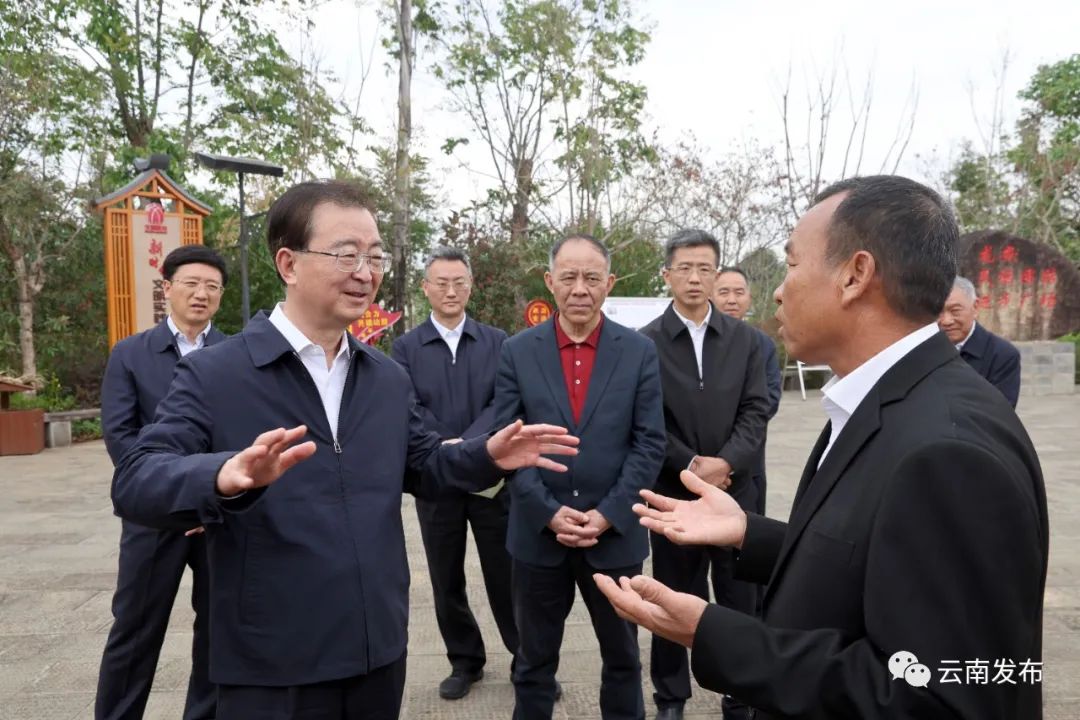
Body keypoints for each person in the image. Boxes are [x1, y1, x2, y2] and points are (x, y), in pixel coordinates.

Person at [110, 180, 580, 719]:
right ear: (288, 264)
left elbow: (425, 464)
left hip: (377, 650)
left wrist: (486, 455)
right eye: (346, 254)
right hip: (271, 662)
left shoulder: (386, 377)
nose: (365, 272)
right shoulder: (216, 373)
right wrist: (220, 474)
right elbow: (136, 479)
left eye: (375, 257)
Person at [596, 175, 1048, 720]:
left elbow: (934, 696)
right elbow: (875, 562)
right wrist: (749, 534)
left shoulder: (948, 452)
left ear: (855, 275)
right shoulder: (895, 401)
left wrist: (713, 633)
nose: (778, 291)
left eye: (791, 264)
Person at [495, 234, 666, 720]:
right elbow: (507, 444)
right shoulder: (517, 351)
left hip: (614, 538)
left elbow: (649, 442)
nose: (580, 288)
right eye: (568, 276)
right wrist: (548, 513)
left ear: (609, 283)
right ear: (549, 281)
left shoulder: (638, 351)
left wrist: (609, 514)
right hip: (538, 537)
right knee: (533, 662)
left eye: (591, 277)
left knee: (623, 659)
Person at [639, 232, 769, 720]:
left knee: (740, 598)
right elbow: (646, 420)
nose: (695, 278)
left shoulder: (747, 341)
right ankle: (671, 696)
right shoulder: (644, 344)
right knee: (673, 595)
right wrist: (693, 467)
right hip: (674, 496)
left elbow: (756, 410)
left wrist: (726, 463)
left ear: (716, 274)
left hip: (737, 493)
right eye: (685, 268)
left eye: (705, 268)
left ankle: (741, 694)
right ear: (667, 274)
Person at [96, 244, 228, 720]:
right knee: (135, 629)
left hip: (217, 516)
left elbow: (241, 434)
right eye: (191, 283)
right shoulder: (131, 354)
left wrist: (210, 502)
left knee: (218, 630)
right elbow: (121, 437)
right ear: (167, 288)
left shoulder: (234, 354)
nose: (201, 294)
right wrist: (174, 498)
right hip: (153, 518)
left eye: (212, 286)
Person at [390, 246, 518, 700]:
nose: (450, 291)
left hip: (489, 477)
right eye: (441, 283)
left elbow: (505, 402)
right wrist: (445, 447)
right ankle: (465, 661)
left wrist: (468, 446)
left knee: (506, 573)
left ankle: (526, 658)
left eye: (458, 282)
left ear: (470, 286)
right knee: (445, 578)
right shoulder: (405, 347)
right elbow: (407, 408)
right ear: (425, 288)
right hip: (436, 480)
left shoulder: (498, 342)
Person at [713, 266, 782, 514]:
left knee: (746, 531)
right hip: (696, 466)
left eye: (739, 292)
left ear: (749, 298)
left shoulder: (762, 344)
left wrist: (728, 459)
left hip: (746, 464)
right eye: (724, 292)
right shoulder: (695, 341)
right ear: (710, 295)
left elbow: (768, 400)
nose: (732, 300)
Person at [938, 275, 1022, 407]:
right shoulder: (922, 349)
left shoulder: (1002, 355)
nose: (946, 321)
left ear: (975, 307)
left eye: (955, 311)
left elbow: (1000, 411)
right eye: (938, 312)